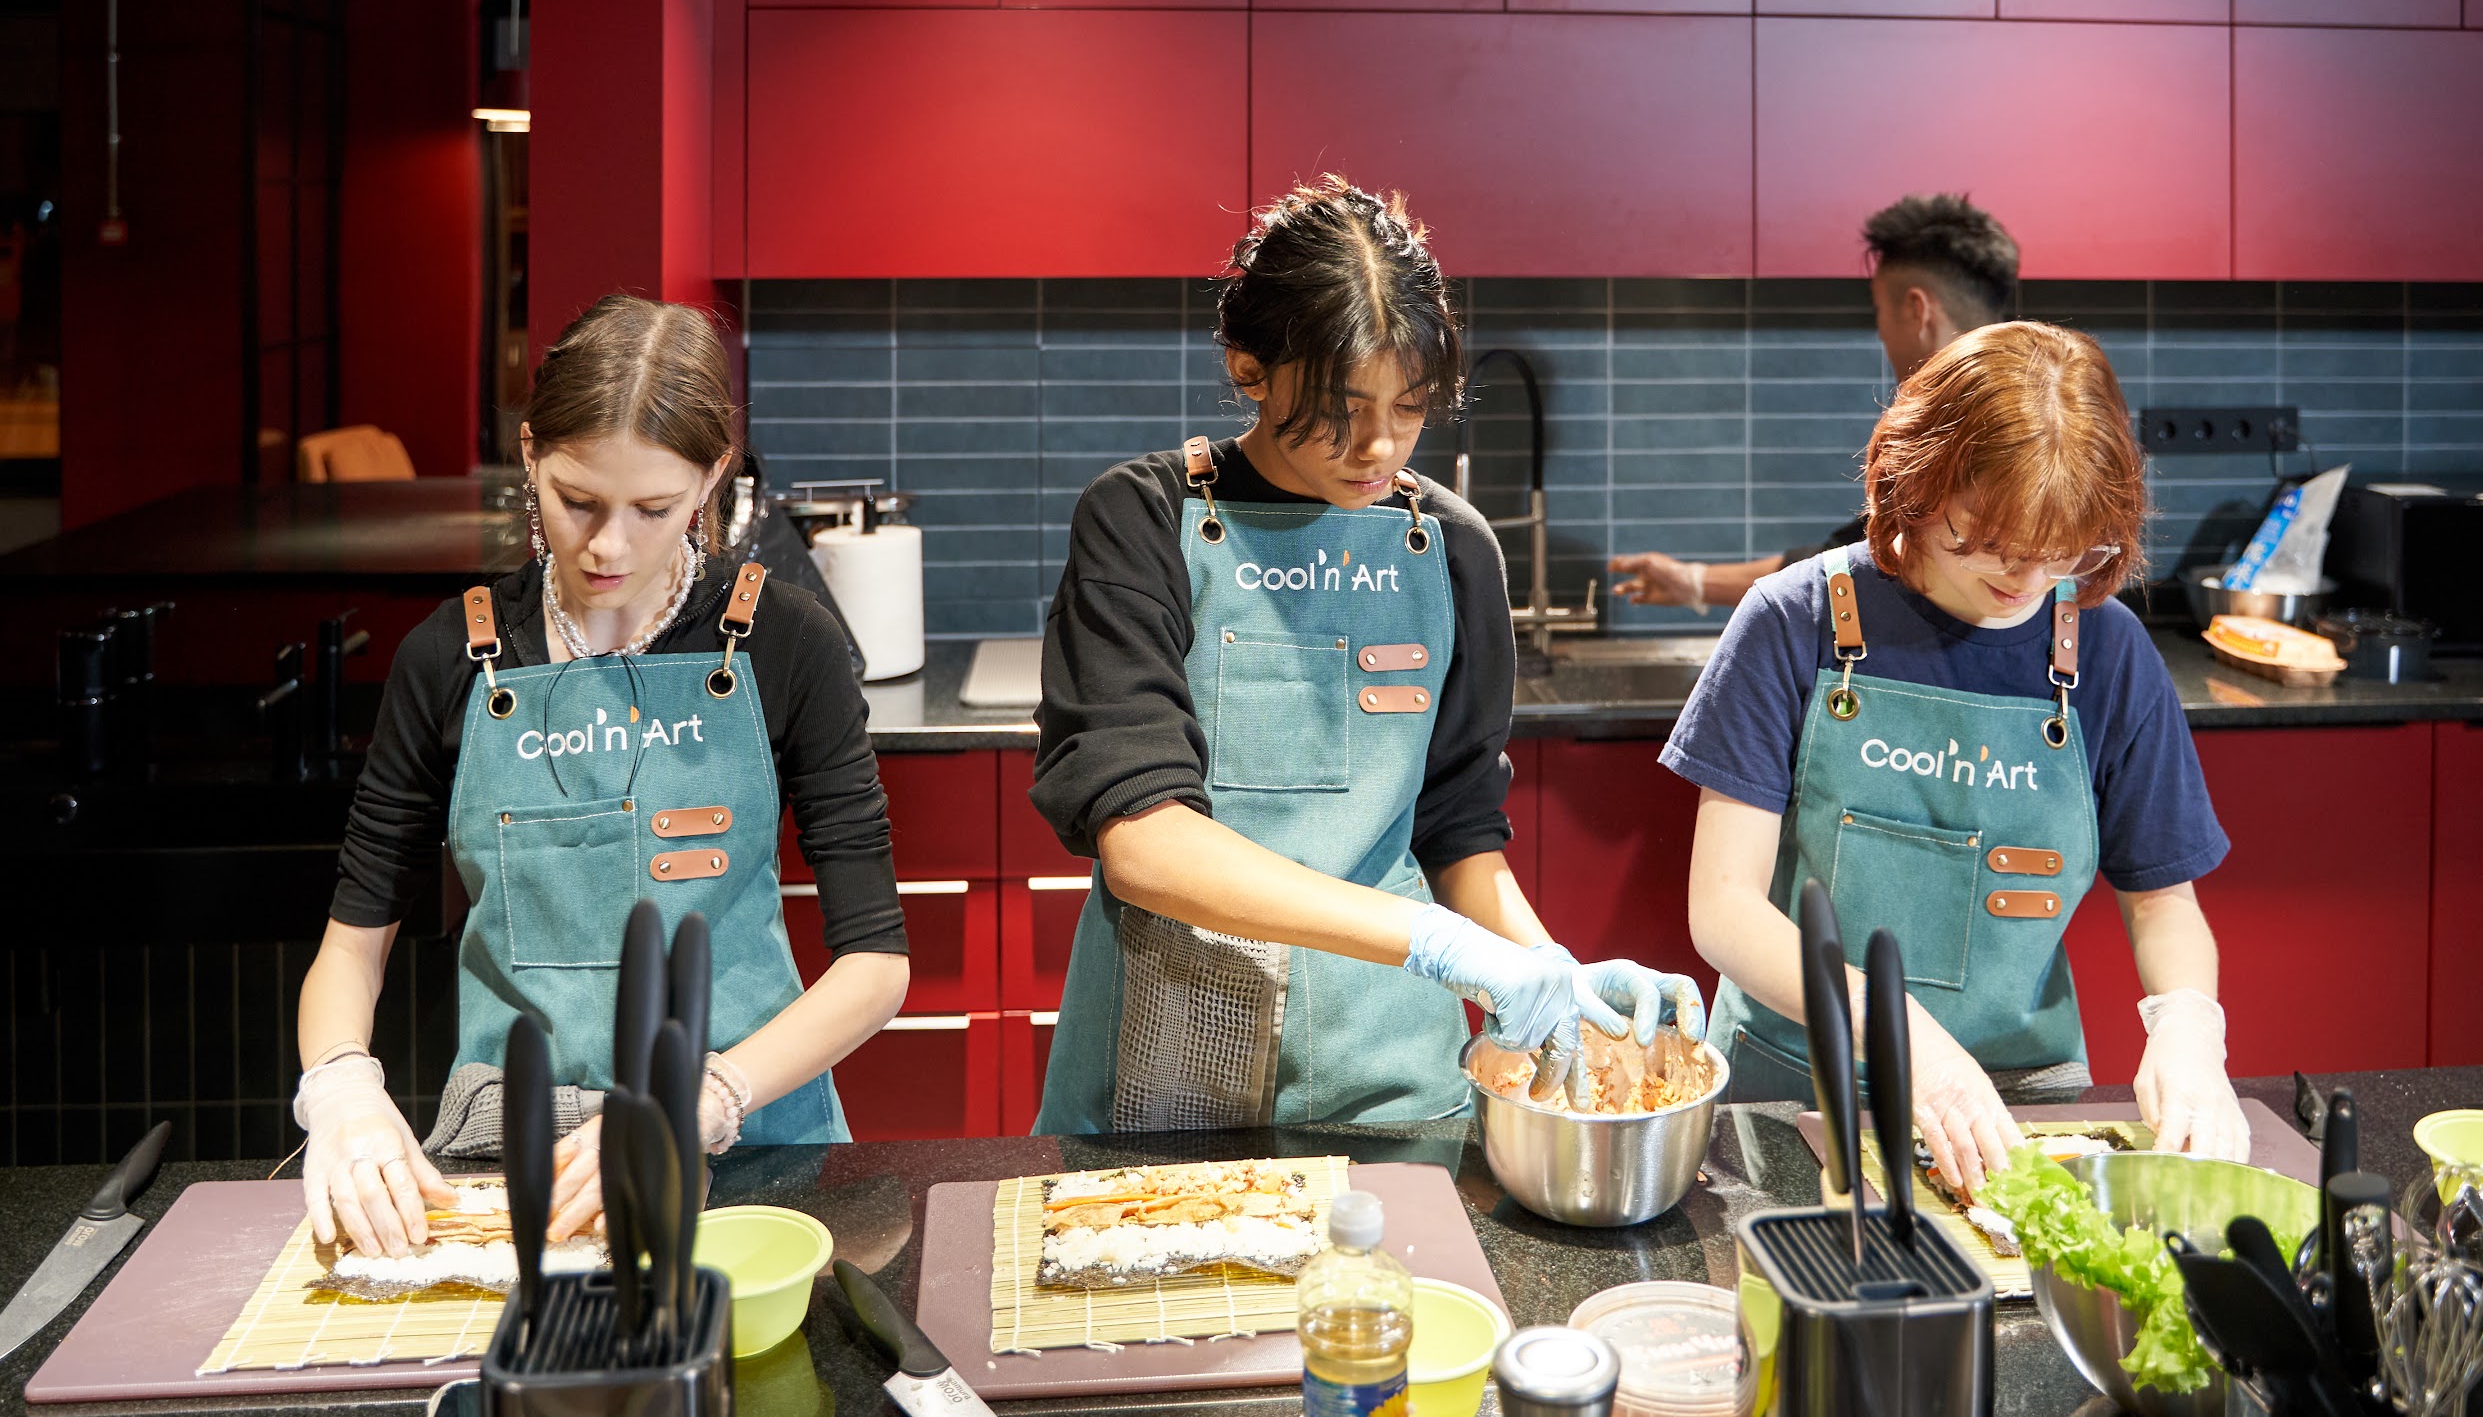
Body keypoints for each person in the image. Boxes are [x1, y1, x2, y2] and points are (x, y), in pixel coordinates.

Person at [1029, 177, 1704, 1133]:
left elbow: (1458, 833)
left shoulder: (1454, 547)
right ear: (1249, 368)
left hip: (1395, 1071)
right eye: (1342, 408)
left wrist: (1546, 965)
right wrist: (1439, 942)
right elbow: (1144, 840)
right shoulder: (1143, 519)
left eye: (1411, 405)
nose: (1378, 444)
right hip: (1169, 1063)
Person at [291, 295, 910, 1256]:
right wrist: (339, 1085)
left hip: (752, 1149)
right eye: (576, 499)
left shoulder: (787, 642)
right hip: (511, 1153)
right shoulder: (449, 655)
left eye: (653, 509)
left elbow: (876, 965)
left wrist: (706, 1097)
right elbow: (352, 944)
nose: (607, 545)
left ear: (710, 477)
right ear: (531, 456)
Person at [1667, 320, 2249, 1194]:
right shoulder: (1797, 621)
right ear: (1916, 482)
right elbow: (1722, 906)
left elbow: (2164, 901)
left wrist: (2189, 1028)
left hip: (2017, 1108)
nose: (2027, 581)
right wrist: (1901, 1030)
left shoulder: (2110, 653)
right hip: (1794, 1095)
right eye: (1989, 543)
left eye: (2063, 552)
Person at [1610, 193, 2016, 611]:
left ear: (1917, 310)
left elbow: (1862, 567)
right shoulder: (2030, 403)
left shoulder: (1977, 427)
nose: (1881, 335)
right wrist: (1694, 582)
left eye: (1880, 312)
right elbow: (1858, 549)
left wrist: (1697, 583)